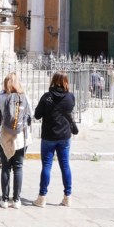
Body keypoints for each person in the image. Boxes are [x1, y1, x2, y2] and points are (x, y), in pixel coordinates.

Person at [33, 72, 76, 208]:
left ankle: (42, 197)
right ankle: (67, 197)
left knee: (46, 166)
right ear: (66, 82)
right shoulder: (70, 97)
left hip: (49, 136)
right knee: (65, 165)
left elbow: (37, 115)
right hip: (64, 136)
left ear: (53, 81)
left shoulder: (47, 97)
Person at [0, 72, 33, 209]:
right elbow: (31, 115)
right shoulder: (24, 97)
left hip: (5, 136)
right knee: (18, 167)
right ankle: (17, 200)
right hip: (21, 136)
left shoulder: (1, 98)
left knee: (6, 167)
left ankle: (4, 200)